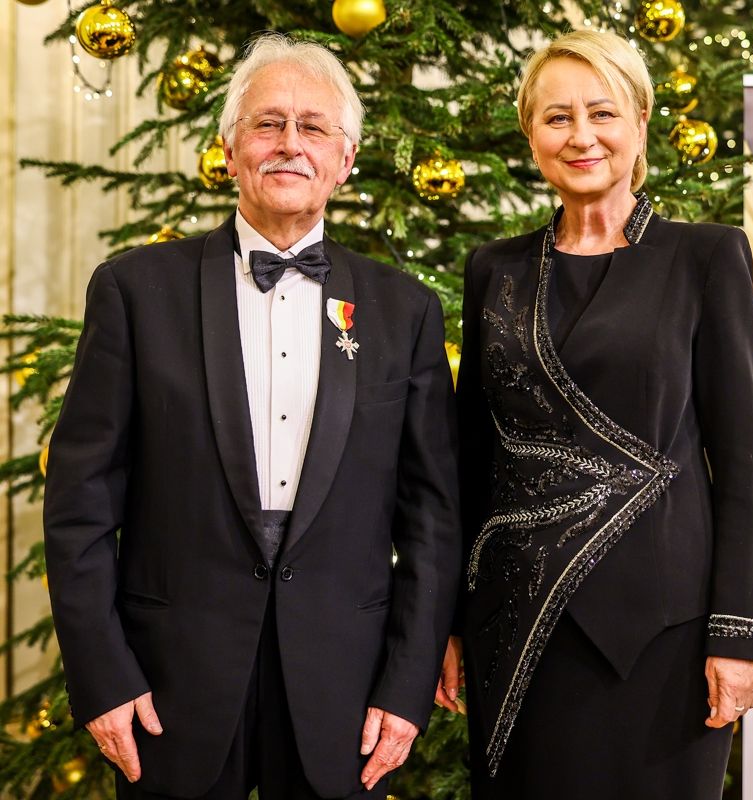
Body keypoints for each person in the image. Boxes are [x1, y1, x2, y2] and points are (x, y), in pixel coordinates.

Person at [43, 33, 459, 800]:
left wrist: (407, 688)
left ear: (346, 158)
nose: (290, 143)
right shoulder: (134, 293)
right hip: (168, 685)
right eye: (268, 123)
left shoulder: (406, 312)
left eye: (314, 127)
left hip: (347, 691)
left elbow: (432, 520)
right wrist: (101, 674)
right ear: (231, 149)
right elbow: (80, 503)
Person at [441, 28, 753, 799]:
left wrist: (740, 633)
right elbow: (471, 461)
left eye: (602, 113)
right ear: (530, 134)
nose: (581, 136)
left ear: (640, 123)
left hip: (661, 637)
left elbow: (745, 461)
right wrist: (449, 623)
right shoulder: (494, 270)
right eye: (557, 117)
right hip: (517, 629)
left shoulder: (706, 258)